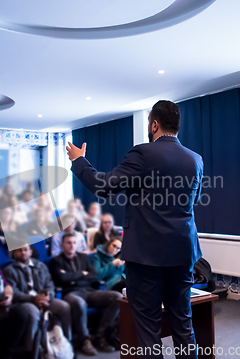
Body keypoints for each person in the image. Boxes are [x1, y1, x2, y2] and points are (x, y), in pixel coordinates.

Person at [66, 100, 203, 359]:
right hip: (183, 253)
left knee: (149, 331)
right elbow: (192, 202)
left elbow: (103, 186)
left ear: (154, 124)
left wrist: (80, 161)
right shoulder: (195, 160)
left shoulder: (143, 154)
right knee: (183, 326)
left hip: (146, 256)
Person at [49, 233, 122, 355]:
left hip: (89, 291)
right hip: (71, 293)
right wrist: (82, 274)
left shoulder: (84, 258)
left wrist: (73, 276)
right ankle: (85, 340)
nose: (72, 246)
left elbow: (93, 276)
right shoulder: (56, 261)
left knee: (117, 297)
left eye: (74, 242)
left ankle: (101, 335)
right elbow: (62, 278)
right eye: (68, 243)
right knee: (80, 303)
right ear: (62, 245)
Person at [4, 244, 71, 351]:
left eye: (25, 250)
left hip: (44, 299)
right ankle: (32, 351)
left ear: (30, 252)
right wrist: (33, 299)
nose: (23, 252)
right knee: (34, 313)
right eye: (19, 250)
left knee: (64, 307)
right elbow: (14, 293)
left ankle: (66, 344)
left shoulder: (41, 266)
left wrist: (47, 297)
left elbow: (49, 284)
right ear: (14, 253)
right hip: (25, 301)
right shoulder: (9, 270)